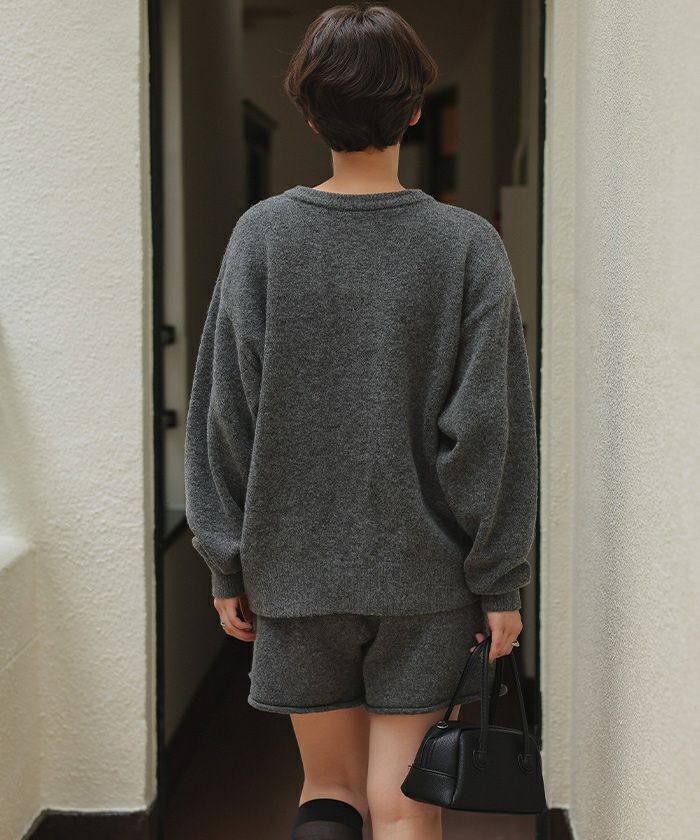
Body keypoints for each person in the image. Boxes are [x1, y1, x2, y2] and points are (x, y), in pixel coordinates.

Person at [184, 4, 537, 838]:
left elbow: (224, 413)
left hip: (294, 574)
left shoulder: (262, 236)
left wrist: (225, 560)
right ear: (414, 110)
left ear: (310, 116)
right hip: (428, 583)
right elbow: (489, 431)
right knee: (403, 804)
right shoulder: (465, 246)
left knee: (329, 789)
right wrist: (499, 580)